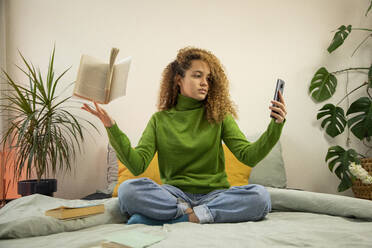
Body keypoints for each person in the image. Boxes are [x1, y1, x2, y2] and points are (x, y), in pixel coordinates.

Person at [82, 47, 287, 225]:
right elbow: (137, 165)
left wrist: (275, 126)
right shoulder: (160, 120)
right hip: (174, 196)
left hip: (215, 195)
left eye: (208, 78)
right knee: (127, 190)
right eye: (198, 75)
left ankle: (186, 218)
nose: (205, 83)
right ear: (179, 80)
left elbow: (248, 156)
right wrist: (112, 127)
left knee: (261, 197)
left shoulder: (219, 117)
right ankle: (194, 213)